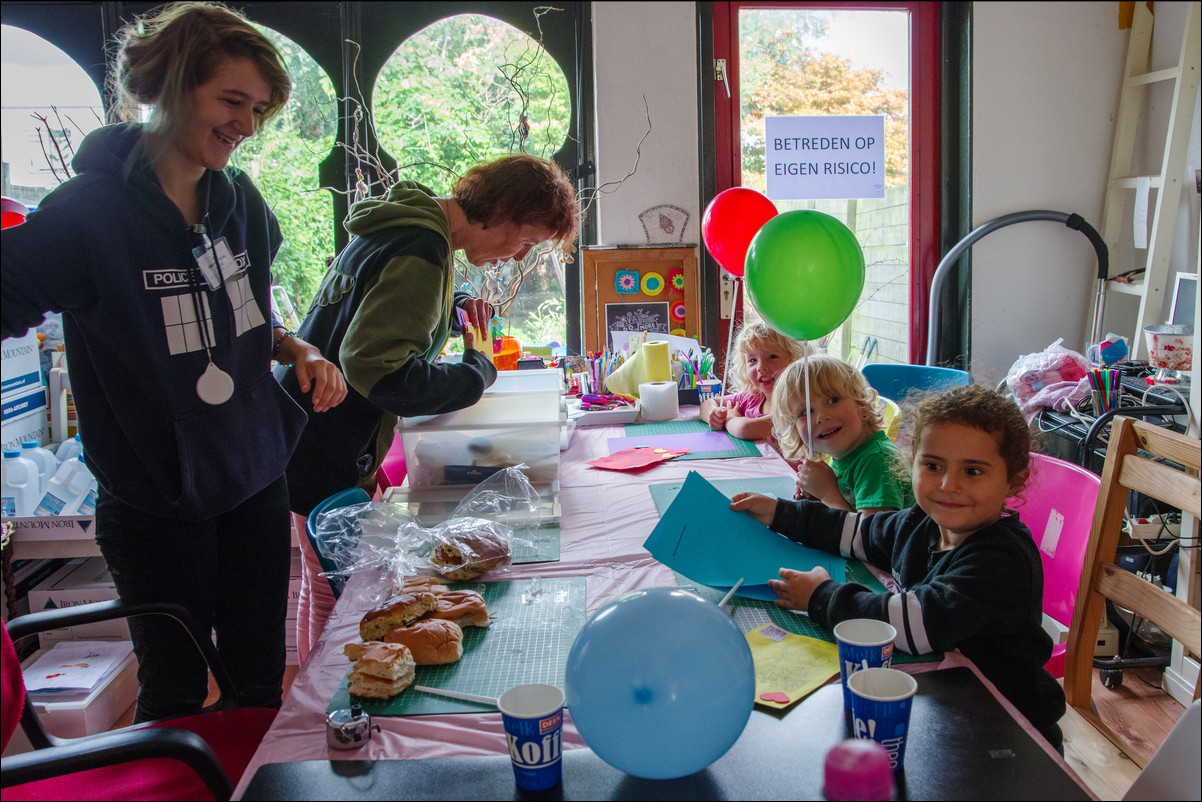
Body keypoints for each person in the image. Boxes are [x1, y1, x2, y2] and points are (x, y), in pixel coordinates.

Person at [1, 1, 346, 722]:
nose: (246, 126)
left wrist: (299, 346)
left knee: (258, 682)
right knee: (177, 692)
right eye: (230, 101)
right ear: (172, 86)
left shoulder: (240, 203)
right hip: (155, 498)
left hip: (253, 477)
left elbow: (245, 315)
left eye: (258, 109)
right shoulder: (88, 216)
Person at [276, 152, 579, 659]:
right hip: (325, 451)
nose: (516, 255)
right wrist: (475, 373)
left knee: (321, 584)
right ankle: (322, 718)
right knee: (344, 604)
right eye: (525, 240)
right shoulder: (423, 248)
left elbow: (374, 303)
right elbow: (380, 372)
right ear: (499, 210)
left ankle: (313, 703)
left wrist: (453, 302)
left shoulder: (405, 225)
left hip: (302, 436)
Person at [729, 384, 1066, 751]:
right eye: (933, 465)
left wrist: (819, 597)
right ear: (913, 460)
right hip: (944, 705)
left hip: (1007, 734)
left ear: (1013, 479)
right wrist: (781, 513)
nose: (947, 485)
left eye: (972, 471)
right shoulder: (921, 523)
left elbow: (913, 622)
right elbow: (855, 531)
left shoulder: (1000, 560)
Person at [773, 355, 913, 513]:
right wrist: (817, 492)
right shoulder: (843, 456)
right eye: (806, 411)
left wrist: (828, 493)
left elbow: (868, 535)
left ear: (861, 404)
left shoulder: (878, 461)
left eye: (833, 400)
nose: (821, 417)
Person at [699, 322, 808, 442]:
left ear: (793, 359)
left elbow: (745, 429)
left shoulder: (795, 403)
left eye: (772, 357)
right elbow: (708, 403)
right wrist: (715, 416)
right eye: (753, 360)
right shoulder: (753, 397)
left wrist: (730, 418)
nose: (760, 367)